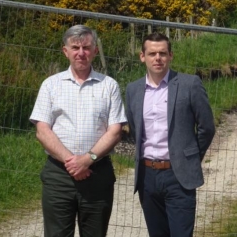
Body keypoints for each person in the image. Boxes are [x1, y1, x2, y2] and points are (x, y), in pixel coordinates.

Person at [29, 24, 127, 237]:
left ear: (95, 51)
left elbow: (115, 131)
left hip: (98, 174)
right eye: (75, 47)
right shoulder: (50, 85)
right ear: (66, 51)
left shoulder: (109, 86)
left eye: (86, 47)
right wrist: (72, 162)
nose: (81, 53)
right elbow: (42, 130)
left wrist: (88, 159)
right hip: (58, 176)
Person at [126, 32, 216, 237]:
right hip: (147, 176)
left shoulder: (189, 84)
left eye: (162, 53)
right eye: (152, 54)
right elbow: (134, 128)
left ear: (170, 56)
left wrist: (188, 158)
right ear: (142, 56)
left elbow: (207, 127)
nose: (157, 58)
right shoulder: (133, 89)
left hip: (178, 176)